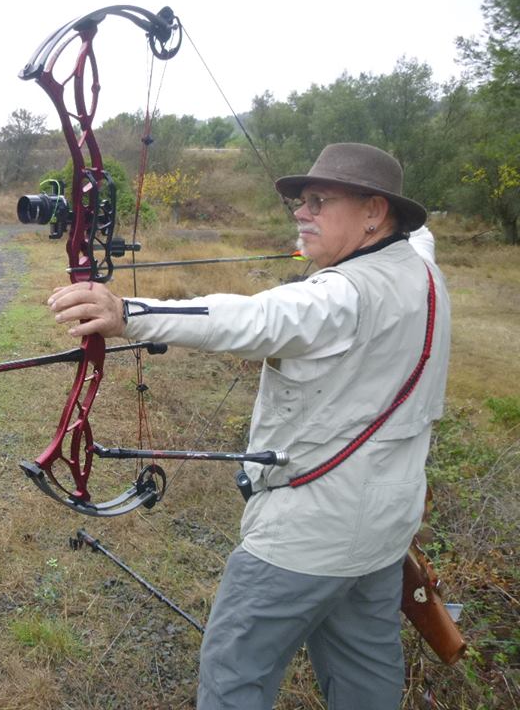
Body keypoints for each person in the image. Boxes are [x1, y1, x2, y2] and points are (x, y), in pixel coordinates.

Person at [47, 143, 451, 709]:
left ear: (374, 212)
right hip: (387, 526)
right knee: (365, 668)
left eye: (318, 201)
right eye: (300, 201)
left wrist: (128, 313)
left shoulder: (343, 295)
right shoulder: (421, 266)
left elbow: (256, 319)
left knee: (234, 670)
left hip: (308, 536)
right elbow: (422, 236)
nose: (301, 212)